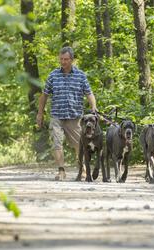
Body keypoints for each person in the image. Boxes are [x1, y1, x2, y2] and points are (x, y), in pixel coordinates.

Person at [36, 46, 97, 181]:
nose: (63, 62)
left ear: (72, 60)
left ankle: (83, 170)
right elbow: (44, 96)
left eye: (66, 59)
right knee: (57, 142)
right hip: (57, 116)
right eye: (61, 59)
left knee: (79, 145)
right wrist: (40, 114)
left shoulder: (81, 75)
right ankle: (61, 171)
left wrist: (93, 107)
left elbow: (89, 93)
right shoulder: (53, 75)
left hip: (75, 118)